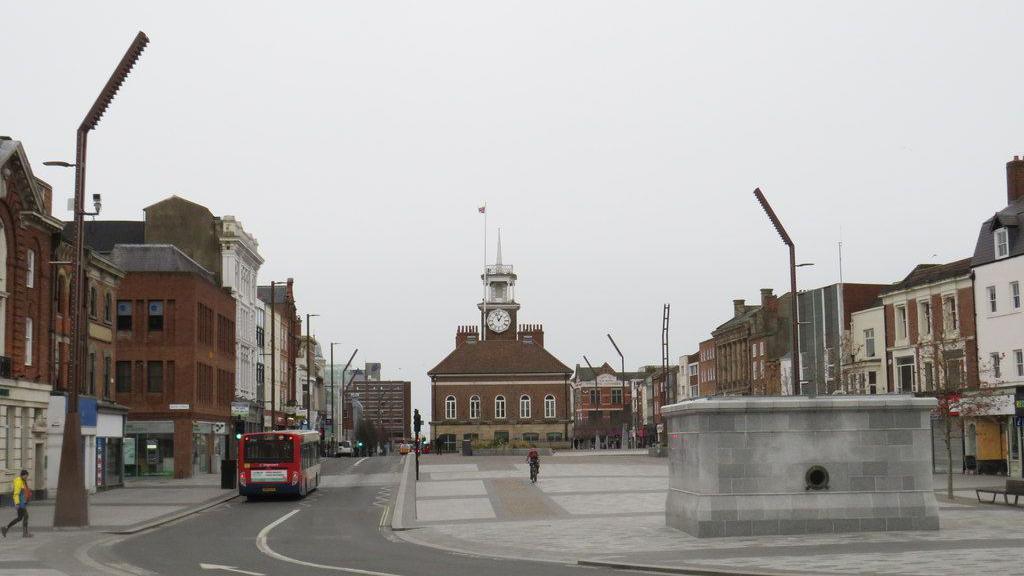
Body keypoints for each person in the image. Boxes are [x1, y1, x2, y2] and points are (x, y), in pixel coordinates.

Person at [2, 470, 31, 538]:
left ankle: (5, 528)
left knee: (19, 518)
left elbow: (24, 492)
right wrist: (17, 503)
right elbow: (16, 493)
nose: (27, 477)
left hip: (22, 502)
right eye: (26, 476)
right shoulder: (19, 481)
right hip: (20, 503)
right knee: (26, 516)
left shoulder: (23, 481)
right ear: (23, 475)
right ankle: (25, 534)